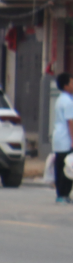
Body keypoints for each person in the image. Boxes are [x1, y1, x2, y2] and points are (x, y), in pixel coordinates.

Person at [53, 73, 73, 204]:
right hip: (66, 139)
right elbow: (70, 122)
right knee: (68, 167)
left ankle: (60, 194)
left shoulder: (60, 99)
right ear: (66, 86)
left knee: (59, 166)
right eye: (72, 82)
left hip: (58, 138)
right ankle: (64, 194)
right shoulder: (68, 102)